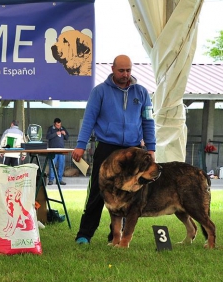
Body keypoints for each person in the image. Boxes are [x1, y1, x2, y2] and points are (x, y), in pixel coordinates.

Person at [72, 54, 156, 245]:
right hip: (107, 149)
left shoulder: (142, 93)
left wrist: (150, 148)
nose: (125, 74)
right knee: (97, 192)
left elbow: (148, 121)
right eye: (121, 70)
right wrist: (80, 144)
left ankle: (116, 236)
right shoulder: (99, 91)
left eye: (128, 70)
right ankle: (84, 234)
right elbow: (89, 120)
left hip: (134, 151)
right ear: (112, 69)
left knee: (129, 194)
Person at [46, 118, 69, 185]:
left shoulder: (63, 128)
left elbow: (67, 138)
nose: (58, 126)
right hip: (53, 150)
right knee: (52, 165)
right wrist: (56, 133)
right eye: (57, 125)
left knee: (61, 165)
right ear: (54, 124)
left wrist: (64, 134)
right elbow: (48, 137)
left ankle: (59, 180)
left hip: (61, 150)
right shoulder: (51, 129)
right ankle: (51, 179)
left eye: (59, 125)